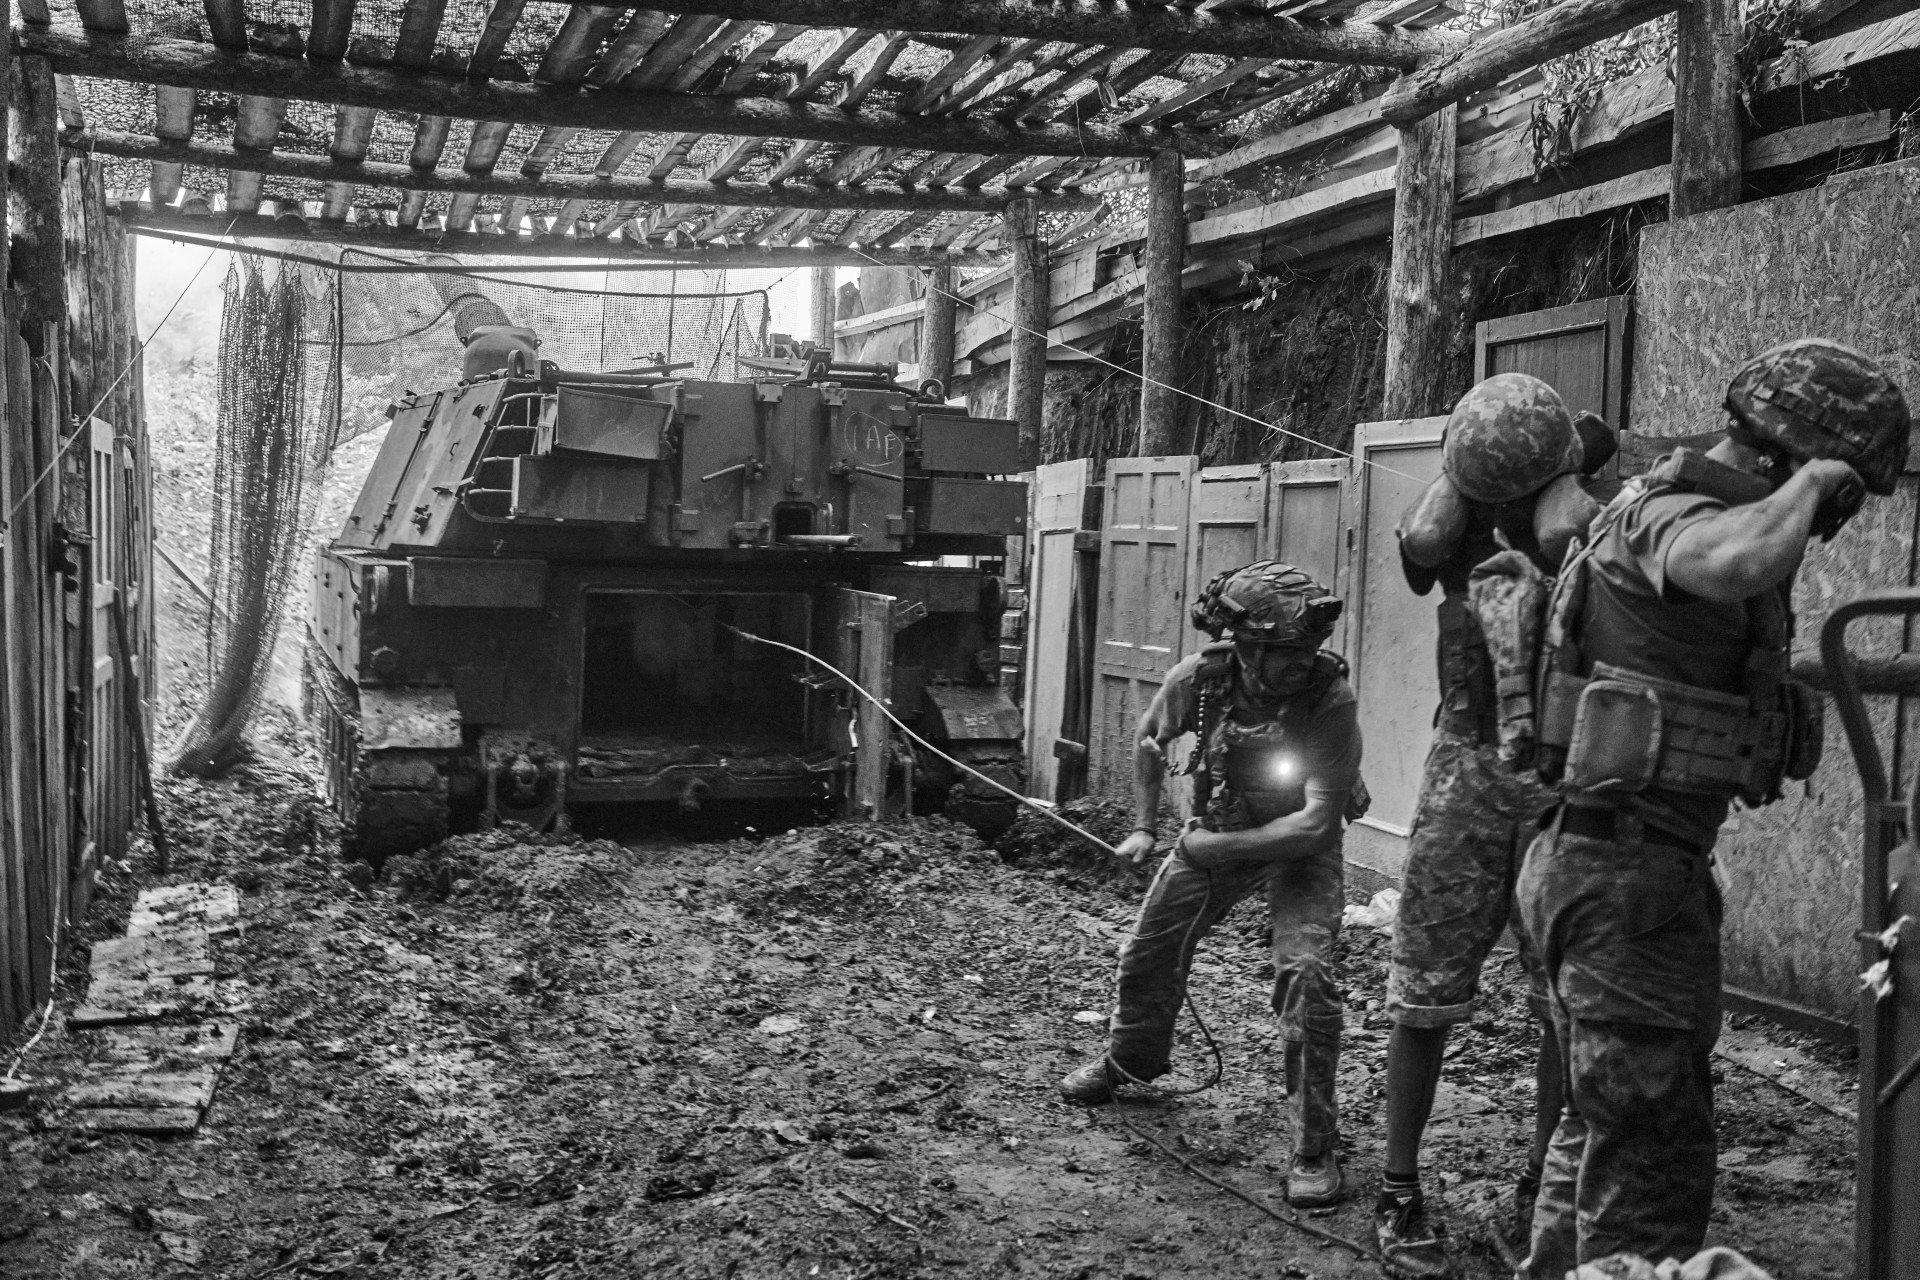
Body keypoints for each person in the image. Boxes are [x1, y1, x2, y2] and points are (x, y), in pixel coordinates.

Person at [1515, 339, 1909, 1277]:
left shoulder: (1658, 507)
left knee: (1600, 1126)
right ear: (1801, 459)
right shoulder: (1679, 518)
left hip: (1619, 865)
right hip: (1624, 885)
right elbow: (1729, 560)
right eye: (1847, 491)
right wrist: (1813, 483)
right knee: (1650, 1175)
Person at [1375, 374, 1610, 1277]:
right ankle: (1399, 1189)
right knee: (1424, 986)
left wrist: (1569, 491)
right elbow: (1423, 545)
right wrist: (1464, 485)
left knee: (1561, 1000)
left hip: (1565, 769)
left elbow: (1581, 543)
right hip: (1470, 760)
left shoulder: (1595, 513)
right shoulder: (1454, 514)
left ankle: (1541, 1193)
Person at [1057, 561, 1364, 1209]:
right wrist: (1144, 827)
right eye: (1283, 651)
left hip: (1300, 844)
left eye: (1306, 648)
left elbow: (1314, 827)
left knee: (1306, 977)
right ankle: (1132, 1060)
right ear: (1246, 644)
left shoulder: (1328, 696)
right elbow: (1148, 740)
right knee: (1148, 951)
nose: (1298, 662)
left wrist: (1211, 846)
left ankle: (1313, 1145)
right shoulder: (1201, 679)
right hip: (1223, 823)